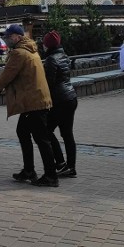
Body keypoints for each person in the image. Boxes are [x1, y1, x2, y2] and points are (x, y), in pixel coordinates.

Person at [0, 24, 58, 187]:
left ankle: (51, 176)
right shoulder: (31, 50)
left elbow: (7, 75)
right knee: (23, 132)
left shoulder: (19, 53)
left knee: (41, 139)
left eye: (8, 36)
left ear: (17, 36)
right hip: (36, 100)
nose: (6, 39)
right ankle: (29, 170)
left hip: (33, 102)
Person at [42, 31, 78, 179]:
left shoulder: (51, 59)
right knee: (67, 134)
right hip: (70, 97)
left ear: (48, 45)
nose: (42, 46)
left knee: (46, 131)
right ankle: (71, 167)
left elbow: (48, 84)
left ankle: (60, 162)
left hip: (59, 100)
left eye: (44, 43)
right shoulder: (64, 56)